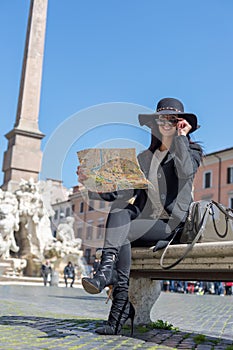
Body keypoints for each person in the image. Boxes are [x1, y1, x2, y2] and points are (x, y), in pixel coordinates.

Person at [77, 97, 203, 335]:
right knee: (119, 213)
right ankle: (107, 274)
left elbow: (185, 171)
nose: (165, 124)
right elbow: (123, 194)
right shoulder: (144, 159)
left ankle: (115, 300)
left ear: (180, 123)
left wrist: (182, 138)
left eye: (171, 119)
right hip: (142, 221)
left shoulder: (191, 150)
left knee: (121, 231)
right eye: (161, 120)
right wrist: (91, 184)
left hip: (169, 225)